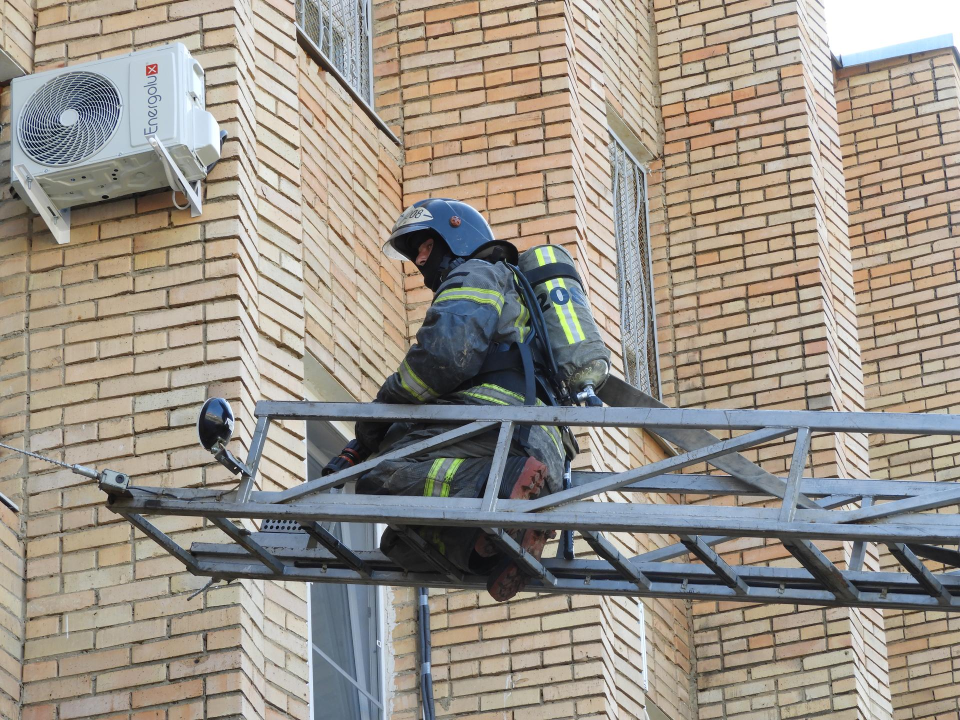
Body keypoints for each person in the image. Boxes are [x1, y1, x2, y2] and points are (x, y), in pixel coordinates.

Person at [325, 198, 565, 602]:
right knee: (404, 540)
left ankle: (503, 485)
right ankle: (494, 547)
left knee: (380, 478)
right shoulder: (520, 303)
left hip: (497, 426)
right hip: (543, 446)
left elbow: (443, 357)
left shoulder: (477, 272)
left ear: (455, 237)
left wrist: (376, 420)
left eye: (424, 246)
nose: (419, 262)